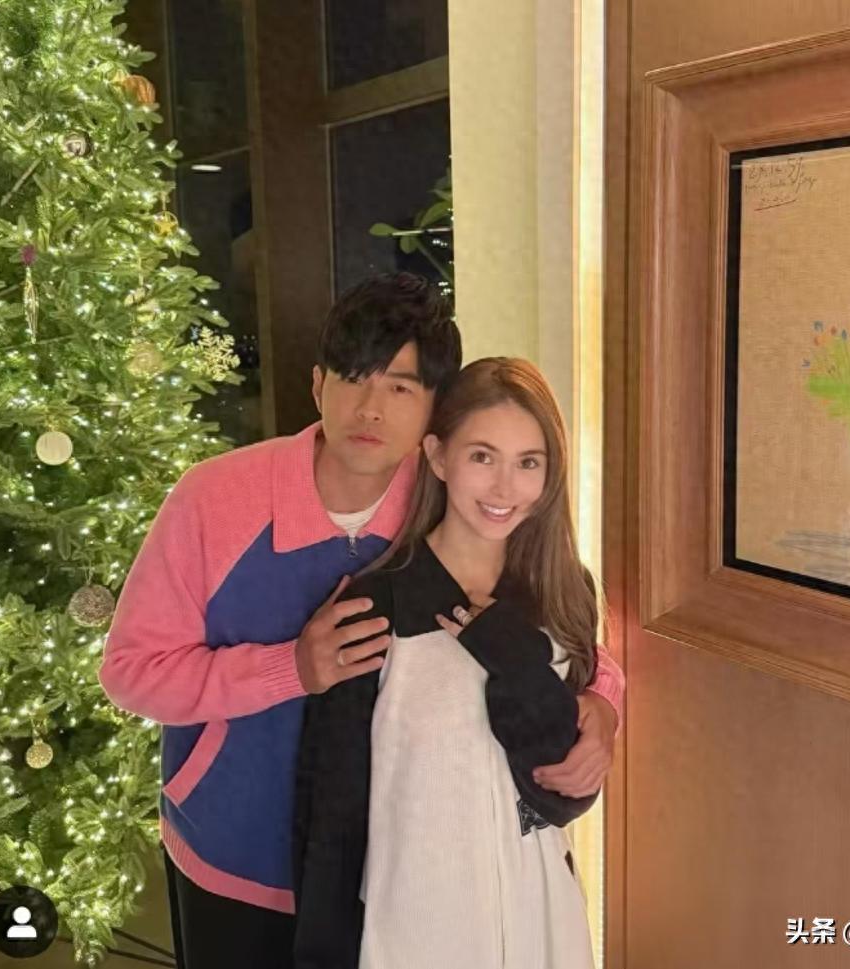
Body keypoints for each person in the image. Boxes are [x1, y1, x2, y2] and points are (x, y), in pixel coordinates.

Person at [98, 273, 624, 969]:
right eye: (352, 378)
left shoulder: (452, 503)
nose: (370, 409)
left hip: (385, 879)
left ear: (435, 412)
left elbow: (552, 610)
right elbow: (132, 673)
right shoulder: (214, 499)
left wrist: (602, 703)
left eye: (401, 387)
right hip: (237, 857)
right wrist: (290, 668)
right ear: (318, 385)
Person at [294, 357, 608, 969]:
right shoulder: (376, 606)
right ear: (438, 457)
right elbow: (331, 814)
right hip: (414, 927)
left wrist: (517, 659)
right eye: (482, 457)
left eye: (529, 463)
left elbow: (561, 795)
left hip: (540, 915)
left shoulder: (565, 594)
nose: (504, 489)